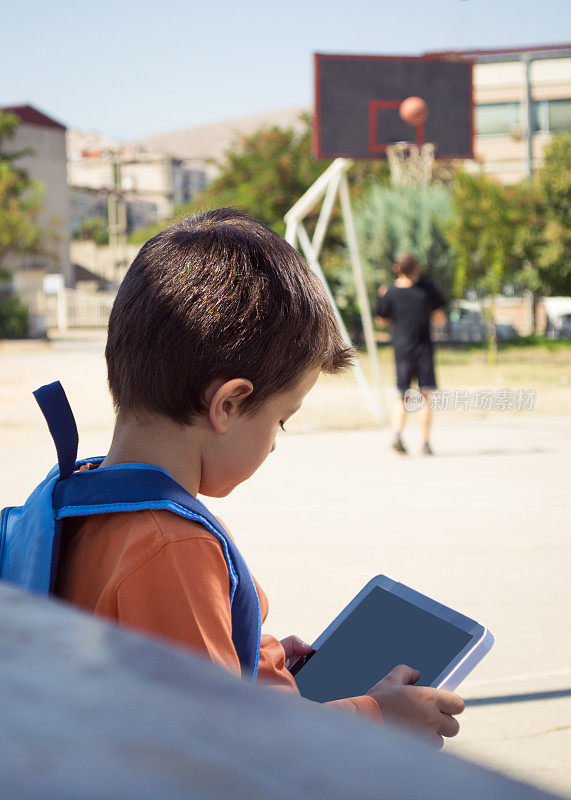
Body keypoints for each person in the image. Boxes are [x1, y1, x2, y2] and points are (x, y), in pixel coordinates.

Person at [54, 210, 463, 747]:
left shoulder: (84, 500)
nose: (274, 442)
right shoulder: (170, 546)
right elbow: (233, 750)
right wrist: (381, 719)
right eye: (281, 420)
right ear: (228, 404)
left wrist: (252, 655)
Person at [375, 253, 447, 456]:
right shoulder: (427, 289)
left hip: (402, 350)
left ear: (397, 269)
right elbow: (440, 319)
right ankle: (425, 443)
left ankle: (397, 435)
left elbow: (381, 320)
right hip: (423, 349)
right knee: (424, 396)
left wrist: (383, 298)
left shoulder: (390, 292)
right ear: (416, 268)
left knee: (402, 394)